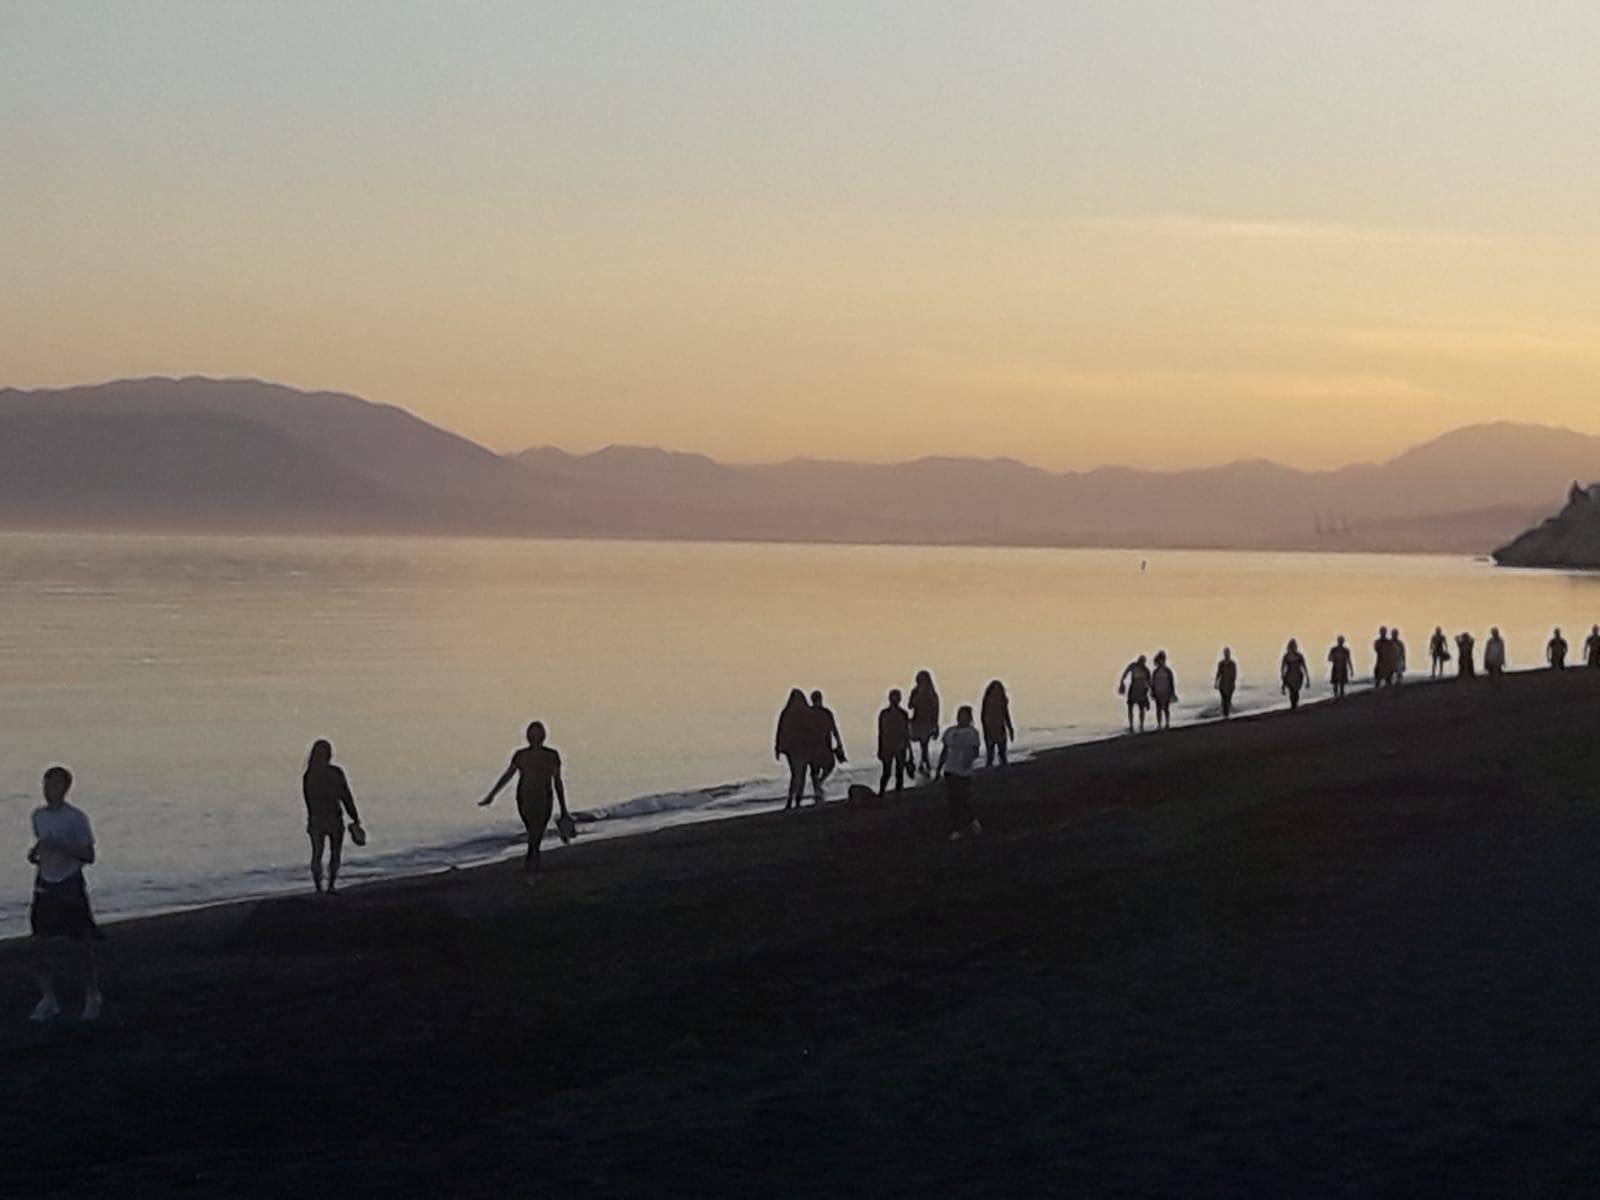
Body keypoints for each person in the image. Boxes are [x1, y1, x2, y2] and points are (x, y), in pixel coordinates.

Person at [27, 766, 103, 1023]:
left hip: (69, 883)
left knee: (81, 944)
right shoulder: (38, 816)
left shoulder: (76, 818)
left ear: (65, 788)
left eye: (54, 785)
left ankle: (92, 995)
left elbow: (88, 856)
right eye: (46, 785)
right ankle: (48, 999)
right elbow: (39, 847)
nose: (48, 791)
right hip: (45, 882)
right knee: (39, 942)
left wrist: (62, 847)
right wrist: (35, 853)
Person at [479, 720, 570, 881]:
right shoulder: (521, 756)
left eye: (537, 734)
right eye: (532, 734)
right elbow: (508, 775)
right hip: (525, 798)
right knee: (533, 832)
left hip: (544, 797)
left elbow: (558, 782)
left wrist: (564, 809)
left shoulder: (552, 755)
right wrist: (492, 795)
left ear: (542, 736)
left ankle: (532, 865)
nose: (534, 738)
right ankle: (533, 865)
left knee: (537, 832)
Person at [302, 739, 363, 895]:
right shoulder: (335, 773)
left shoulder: (309, 774)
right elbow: (345, 796)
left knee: (317, 853)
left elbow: (308, 800)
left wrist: (310, 819)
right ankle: (331, 886)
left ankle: (318, 888)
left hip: (316, 818)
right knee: (335, 852)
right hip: (333, 817)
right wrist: (354, 816)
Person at [938, 705, 983, 841]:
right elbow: (945, 750)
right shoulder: (950, 732)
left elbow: (975, 752)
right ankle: (955, 829)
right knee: (952, 801)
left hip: (964, 772)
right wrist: (939, 767)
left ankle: (972, 821)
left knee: (964, 800)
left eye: (965, 716)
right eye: (960, 715)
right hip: (950, 770)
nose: (962, 718)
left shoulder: (972, 733)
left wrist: (968, 761)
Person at [774, 689, 813, 810]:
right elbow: (812, 731)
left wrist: (778, 747)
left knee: (795, 775)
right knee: (802, 775)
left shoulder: (786, 713)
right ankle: (797, 800)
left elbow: (780, 731)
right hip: (804, 748)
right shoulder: (806, 713)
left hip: (791, 749)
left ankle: (791, 800)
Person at [807, 689, 846, 803]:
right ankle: (818, 788)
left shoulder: (818, 713)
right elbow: (834, 729)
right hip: (819, 745)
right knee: (819, 768)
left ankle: (818, 787)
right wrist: (839, 743)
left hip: (819, 745)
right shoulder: (824, 713)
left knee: (823, 767)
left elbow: (833, 729)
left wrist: (838, 743)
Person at [877, 688, 912, 797]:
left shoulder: (903, 714)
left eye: (897, 697)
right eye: (894, 697)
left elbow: (906, 732)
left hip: (900, 745)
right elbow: (881, 732)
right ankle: (882, 792)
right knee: (887, 771)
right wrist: (880, 749)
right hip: (888, 746)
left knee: (899, 771)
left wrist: (909, 749)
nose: (896, 700)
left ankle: (898, 791)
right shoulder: (884, 714)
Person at [908, 670, 941, 775]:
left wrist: (936, 724)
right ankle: (920, 762)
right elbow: (910, 705)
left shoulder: (931, 693)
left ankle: (924, 762)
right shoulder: (916, 691)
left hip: (927, 721)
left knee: (924, 744)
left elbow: (936, 709)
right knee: (915, 741)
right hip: (918, 720)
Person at [980, 680, 1016, 767]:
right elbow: (983, 716)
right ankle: (991, 768)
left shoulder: (1003, 700)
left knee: (1002, 752)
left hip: (1000, 728)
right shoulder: (987, 701)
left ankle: (1002, 767)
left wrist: (1010, 728)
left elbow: (1006, 715)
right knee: (990, 753)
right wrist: (985, 728)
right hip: (990, 729)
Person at [1118, 654, 1152, 733]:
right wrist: (1122, 682)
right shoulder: (1133, 666)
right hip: (1133, 688)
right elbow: (1125, 673)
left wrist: (1148, 692)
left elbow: (1149, 683)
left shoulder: (1146, 670)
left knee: (1141, 708)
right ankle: (1131, 726)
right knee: (1130, 707)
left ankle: (1141, 726)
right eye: (1140, 661)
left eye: (1142, 661)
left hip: (1141, 690)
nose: (1141, 662)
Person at [1150, 651, 1178, 730]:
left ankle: (1167, 723)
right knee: (1158, 708)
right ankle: (1159, 724)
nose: (1161, 662)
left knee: (1166, 708)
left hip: (1166, 691)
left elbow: (1171, 681)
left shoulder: (1168, 671)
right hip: (1158, 691)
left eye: (1162, 660)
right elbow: (1153, 683)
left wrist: (1172, 692)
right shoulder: (1155, 672)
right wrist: (1152, 691)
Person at [1280, 639, 1310, 709]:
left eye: (1293, 646)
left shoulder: (1299, 656)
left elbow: (1304, 666)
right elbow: (1283, 666)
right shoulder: (1286, 656)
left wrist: (1307, 676)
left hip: (1298, 675)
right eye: (1291, 646)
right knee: (1291, 690)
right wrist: (1282, 674)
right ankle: (1293, 704)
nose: (1292, 647)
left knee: (1296, 691)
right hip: (1289, 675)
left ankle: (1295, 704)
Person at [1214, 647, 1238, 718]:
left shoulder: (1232, 663)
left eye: (1228, 652)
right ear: (1224, 654)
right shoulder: (1221, 663)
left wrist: (1233, 683)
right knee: (1224, 699)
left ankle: (1227, 714)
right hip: (1222, 684)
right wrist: (1216, 682)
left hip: (1230, 684)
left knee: (1228, 699)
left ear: (1229, 653)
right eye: (1225, 653)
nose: (1226, 654)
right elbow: (1218, 673)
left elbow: (1234, 674)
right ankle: (1224, 714)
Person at [1328, 635, 1353, 699]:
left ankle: (1341, 695)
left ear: (1343, 641)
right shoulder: (1333, 649)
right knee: (1335, 683)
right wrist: (1334, 658)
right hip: (1336, 667)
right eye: (1340, 640)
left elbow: (1348, 660)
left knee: (1342, 683)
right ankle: (1335, 695)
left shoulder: (1346, 650)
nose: (1341, 642)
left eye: (1342, 641)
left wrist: (1351, 669)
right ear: (1338, 641)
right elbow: (1329, 658)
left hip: (1343, 668)